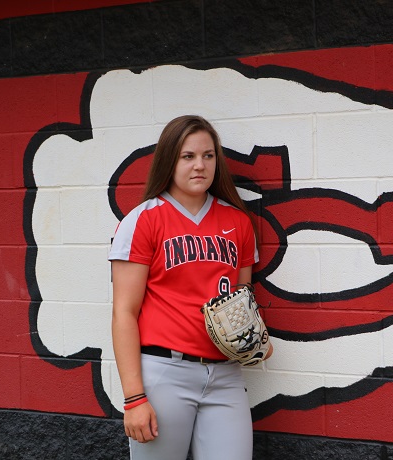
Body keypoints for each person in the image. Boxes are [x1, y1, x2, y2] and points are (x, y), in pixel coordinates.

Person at [109, 115, 271, 460]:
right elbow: (124, 313)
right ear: (170, 160)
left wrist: (255, 342)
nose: (200, 165)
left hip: (225, 375)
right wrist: (134, 398)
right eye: (188, 156)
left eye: (208, 156)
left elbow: (241, 302)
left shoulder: (238, 222)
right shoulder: (143, 220)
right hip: (165, 371)